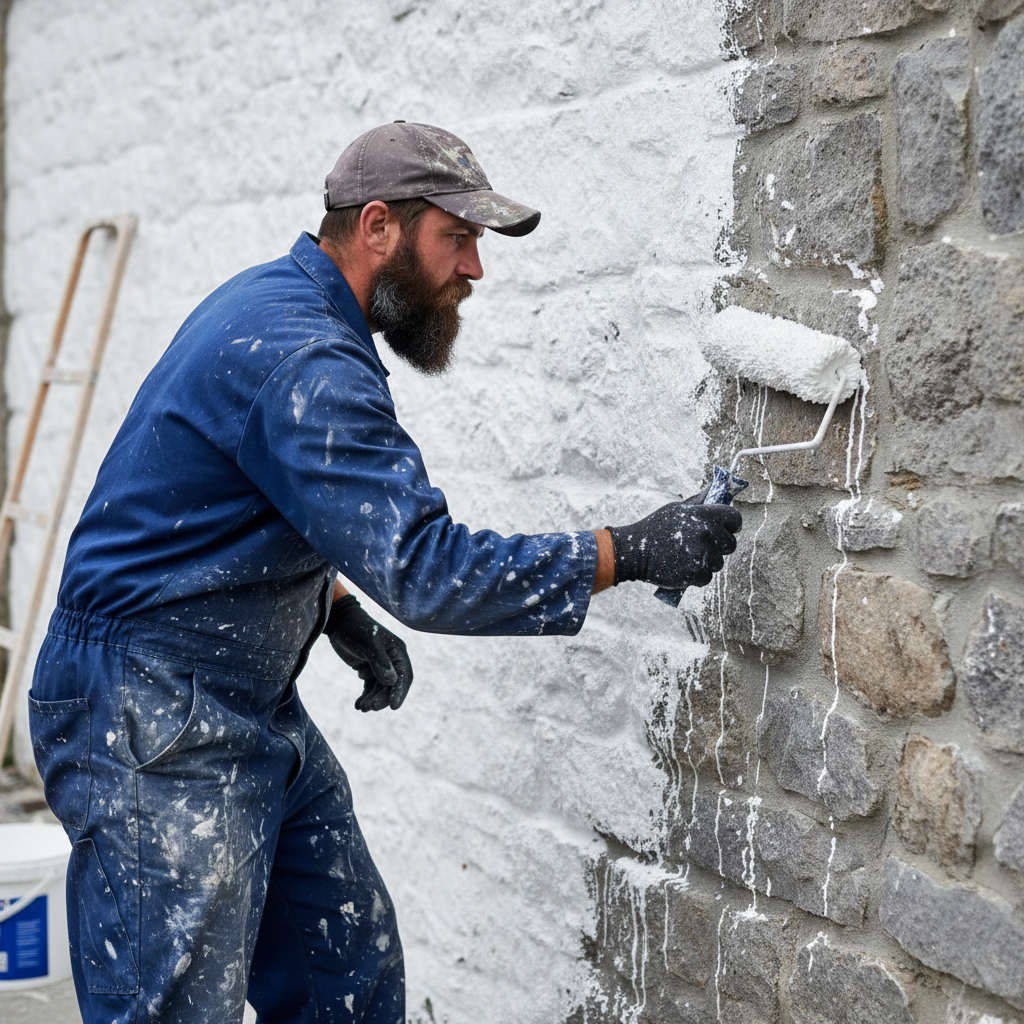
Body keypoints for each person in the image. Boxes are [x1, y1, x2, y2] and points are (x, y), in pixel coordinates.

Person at [29, 121, 741, 1024]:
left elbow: (225, 506)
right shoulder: (306, 358)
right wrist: (626, 551)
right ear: (377, 227)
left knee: (346, 977)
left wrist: (329, 608)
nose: (474, 269)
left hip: (233, 697)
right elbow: (426, 568)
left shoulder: (289, 308)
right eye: (459, 237)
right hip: (147, 714)